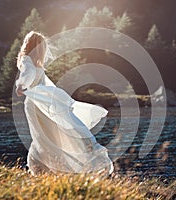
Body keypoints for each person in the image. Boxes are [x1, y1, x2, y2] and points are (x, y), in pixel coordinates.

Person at [15, 31, 114, 175]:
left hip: (33, 103)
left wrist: (20, 86)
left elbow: (27, 75)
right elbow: (44, 84)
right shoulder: (38, 65)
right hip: (44, 103)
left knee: (42, 135)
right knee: (54, 133)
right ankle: (63, 167)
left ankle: (45, 167)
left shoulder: (26, 60)